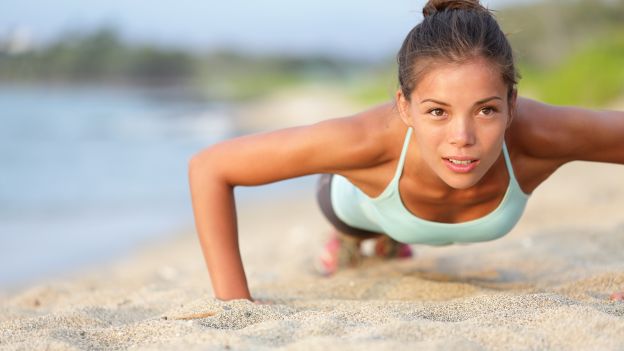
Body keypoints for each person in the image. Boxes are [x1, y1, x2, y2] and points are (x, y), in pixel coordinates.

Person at [188, 0, 624, 302]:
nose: (462, 137)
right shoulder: (363, 141)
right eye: (437, 111)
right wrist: (234, 302)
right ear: (404, 107)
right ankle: (362, 239)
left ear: (512, 104)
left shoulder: (540, 135)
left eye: (486, 110)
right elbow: (211, 167)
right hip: (359, 200)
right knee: (357, 225)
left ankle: (387, 241)